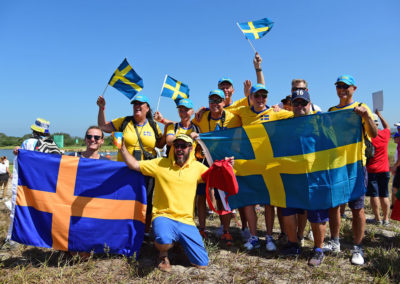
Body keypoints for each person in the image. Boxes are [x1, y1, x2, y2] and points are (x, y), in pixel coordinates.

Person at [121, 133, 233, 272]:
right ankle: (163, 255)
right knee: (163, 239)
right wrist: (123, 149)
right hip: (164, 216)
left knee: (202, 263)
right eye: (177, 145)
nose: (179, 149)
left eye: (183, 146)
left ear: (190, 148)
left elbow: (217, 177)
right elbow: (134, 165)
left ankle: (179, 243)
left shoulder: (197, 167)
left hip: (186, 221)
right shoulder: (159, 163)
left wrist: (227, 165)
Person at [229, 84, 293, 252]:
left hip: (269, 165)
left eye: (263, 96)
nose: (260, 99)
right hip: (249, 164)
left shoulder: (274, 112)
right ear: (250, 97)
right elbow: (225, 109)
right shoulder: (243, 111)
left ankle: (270, 236)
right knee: (249, 202)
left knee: (269, 202)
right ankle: (254, 236)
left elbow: (301, 115)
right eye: (256, 96)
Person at [324, 75, 378, 266]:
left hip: (356, 165)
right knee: (334, 206)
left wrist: (365, 116)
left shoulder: (362, 107)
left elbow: (373, 133)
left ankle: (357, 247)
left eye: (346, 86)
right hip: (336, 166)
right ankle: (335, 241)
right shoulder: (331, 111)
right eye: (339, 86)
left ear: (354, 88)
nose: (342, 89)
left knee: (357, 209)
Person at [97, 93, 165, 234]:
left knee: (146, 202)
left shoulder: (153, 125)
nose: (137, 106)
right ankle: (122, 231)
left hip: (146, 170)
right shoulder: (124, 121)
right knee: (124, 200)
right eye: (135, 104)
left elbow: (160, 144)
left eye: (140, 104)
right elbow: (103, 126)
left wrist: (166, 124)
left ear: (147, 108)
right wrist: (102, 108)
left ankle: (144, 233)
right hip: (126, 169)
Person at [276, 90, 328, 267]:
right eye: (296, 103)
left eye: (303, 103)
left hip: (314, 176)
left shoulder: (318, 123)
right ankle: (293, 244)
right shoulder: (285, 124)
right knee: (288, 211)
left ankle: (318, 250)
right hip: (291, 176)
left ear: (309, 104)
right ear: (291, 105)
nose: (299, 107)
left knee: (317, 214)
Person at [366, 111, 391, 226]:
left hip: (372, 170)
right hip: (385, 170)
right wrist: (380, 114)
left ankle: (377, 219)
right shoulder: (385, 135)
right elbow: (387, 127)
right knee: (384, 195)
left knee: (374, 195)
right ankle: (386, 220)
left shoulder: (368, 138)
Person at [391, 133, 400, 208]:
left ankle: (394, 206)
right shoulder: (397, 146)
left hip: (398, 169)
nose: (394, 139)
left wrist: (394, 167)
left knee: (395, 188)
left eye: (395, 137)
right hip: (397, 168)